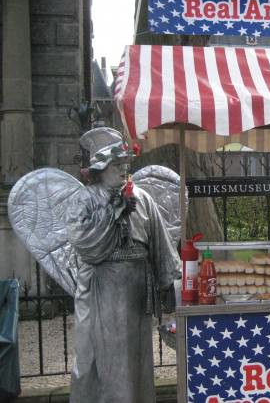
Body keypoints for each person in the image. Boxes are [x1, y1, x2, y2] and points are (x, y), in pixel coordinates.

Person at [67, 128, 180, 402]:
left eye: (124, 164)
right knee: (94, 358)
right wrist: (115, 212)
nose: (122, 170)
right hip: (98, 293)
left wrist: (172, 287)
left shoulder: (143, 199)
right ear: (99, 169)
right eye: (115, 165)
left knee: (134, 360)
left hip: (134, 294)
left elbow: (161, 244)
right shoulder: (84, 200)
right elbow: (87, 245)